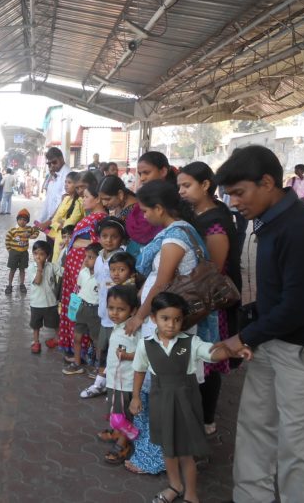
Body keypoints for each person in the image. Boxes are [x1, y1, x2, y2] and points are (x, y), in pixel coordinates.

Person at [213, 145, 304, 503]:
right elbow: (275, 298)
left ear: (268, 182)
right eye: (229, 196)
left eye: (240, 193)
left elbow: (296, 308)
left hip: (301, 351)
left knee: (297, 446)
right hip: (268, 341)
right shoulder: (266, 221)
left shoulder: (302, 227)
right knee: (255, 431)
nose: (235, 203)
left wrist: (238, 338)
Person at [123, 179, 210, 476]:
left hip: (166, 326)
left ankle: (155, 458)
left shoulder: (175, 239)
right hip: (167, 324)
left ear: (159, 208)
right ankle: (156, 453)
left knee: (158, 391)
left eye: (146, 210)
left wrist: (138, 316)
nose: (144, 216)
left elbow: (161, 282)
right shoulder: (185, 230)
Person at [130, 292, 250, 503]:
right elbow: (139, 370)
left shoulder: (191, 342)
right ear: (153, 318)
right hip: (161, 403)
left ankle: (191, 494)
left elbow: (212, 353)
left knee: (185, 453)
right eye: (165, 318)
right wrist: (135, 397)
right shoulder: (145, 344)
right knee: (168, 450)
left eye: (177, 319)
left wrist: (232, 351)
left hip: (186, 403)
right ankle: (174, 486)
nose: (171, 325)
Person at [178, 161, 242, 435]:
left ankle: (206, 418)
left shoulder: (215, 221)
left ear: (205, 185)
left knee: (210, 359)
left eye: (187, 185)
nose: (181, 191)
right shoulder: (197, 212)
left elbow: (212, 270)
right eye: (179, 185)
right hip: (198, 298)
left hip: (211, 302)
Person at [80, 218, 129, 399]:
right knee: (104, 348)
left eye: (114, 237)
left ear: (121, 239)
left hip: (118, 315)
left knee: (116, 350)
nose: (109, 240)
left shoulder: (122, 257)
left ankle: (114, 386)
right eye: (104, 236)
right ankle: (102, 383)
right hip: (103, 313)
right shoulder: (100, 257)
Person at [56, 184, 107, 353]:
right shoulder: (94, 216)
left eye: (86, 196)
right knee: (76, 308)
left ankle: (85, 352)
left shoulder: (100, 218)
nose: (83, 199)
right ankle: (78, 350)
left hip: (83, 270)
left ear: (98, 198)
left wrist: (78, 245)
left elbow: (99, 243)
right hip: (77, 271)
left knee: (83, 310)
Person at [99, 285, 141, 465]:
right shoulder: (117, 327)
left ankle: (124, 443)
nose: (115, 313)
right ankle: (119, 433)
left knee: (122, 416)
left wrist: (128, 356)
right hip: (114, 381)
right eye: (111, 308)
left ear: (133, 310)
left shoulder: (132, 331)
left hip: (126, 383)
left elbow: (143, 355)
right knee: (116, 413)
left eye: (121, 309)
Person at [61, 242, 101, 375]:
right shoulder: (83, 273)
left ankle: (98, 367)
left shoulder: (102, 276)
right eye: (86, 256)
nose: (85, 260)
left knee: (97, 341)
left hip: (95, 311)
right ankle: (77, 363)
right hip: (82, 308)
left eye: (90, 257)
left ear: (100, 258)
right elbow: (79, 289)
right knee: (77, 337)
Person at [99, 176, 162, 257]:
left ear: (120, 194)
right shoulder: (122, 207)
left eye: (107, 199)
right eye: (102, 200)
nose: (104, 203)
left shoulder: (137, 212)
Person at [43, 171, 85, 261]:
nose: (66, 185)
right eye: (65, 182)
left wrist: (61, 223)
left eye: (69, 182)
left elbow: (71, 222)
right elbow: (55, 218)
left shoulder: (80, 201)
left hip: (68, 237)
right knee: (55, 261)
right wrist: (58, 224)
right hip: (58, 235)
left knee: (62, 264)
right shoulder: (65, 198)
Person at [28, 240, 60, 354]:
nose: (38, 257)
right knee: (36, 325)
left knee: (55, 323)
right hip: (36, 303)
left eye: (41, 254)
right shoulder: (32, 268)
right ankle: (36, 342)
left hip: (51, 303)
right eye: (35, 253)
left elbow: (63, 272)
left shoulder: (51, 266)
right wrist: (39, 268)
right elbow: (37, 281)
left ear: (48, 255)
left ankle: (58, 339)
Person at [38, 148, 71, 250]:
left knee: (56, 253)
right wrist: (41, 222)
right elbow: (48, 201)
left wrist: (48, 222)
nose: (52, 166)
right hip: (51, 223)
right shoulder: (53, 175)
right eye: (49, 164)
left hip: (59, 224)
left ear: (61, 159)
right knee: (50, 252)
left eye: (54, 162)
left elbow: (64, 202)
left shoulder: (67, 175)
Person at [4, 208, 39, 294]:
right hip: (14, 253)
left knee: (22, 269)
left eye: (24, 220)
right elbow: (7, 239)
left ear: (27, 221)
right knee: (12, 269)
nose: (22, 221)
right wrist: (9, 250)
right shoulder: (13, 230)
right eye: (20, 219)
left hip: (24, 253)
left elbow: (37, 230)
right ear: (17, 220)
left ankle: (22, 284)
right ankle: (9, 285)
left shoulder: (29, 229)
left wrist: (32, 236)